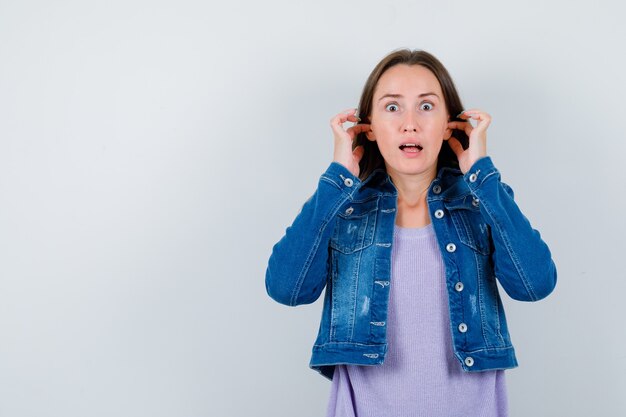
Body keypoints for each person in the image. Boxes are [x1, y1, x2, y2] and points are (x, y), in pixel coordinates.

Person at [265, 49, 557, 417]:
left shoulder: (480, 199)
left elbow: (535, 284)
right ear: (367, 127)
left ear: (451, 124)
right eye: (392, 107)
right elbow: (286, 289)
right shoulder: (343, 206)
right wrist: (337, 178)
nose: (410, 123)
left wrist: (481, 173)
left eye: (426, 106)